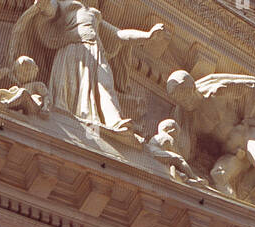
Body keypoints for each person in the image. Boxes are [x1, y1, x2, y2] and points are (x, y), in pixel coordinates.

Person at [165, 70, 255, 222]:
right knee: (218, 174)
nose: (184, 101)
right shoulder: (190, 119)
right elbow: (187, 144)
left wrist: (251, 120)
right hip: (232, 153)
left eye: (184, 94)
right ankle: (237, 215)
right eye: (179, 99)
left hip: (249, 136)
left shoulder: (216, 90)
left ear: (192, 86)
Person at [11, 0, 166, 134]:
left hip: (96, 52)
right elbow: (50, 10)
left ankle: (114, 121)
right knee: (70, 87)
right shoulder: (66, 4)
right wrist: (44, 5)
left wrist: (148, 36)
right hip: (73, 50)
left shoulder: (94, 14)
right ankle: (67, 116)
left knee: (106, 84)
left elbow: (119, 35)